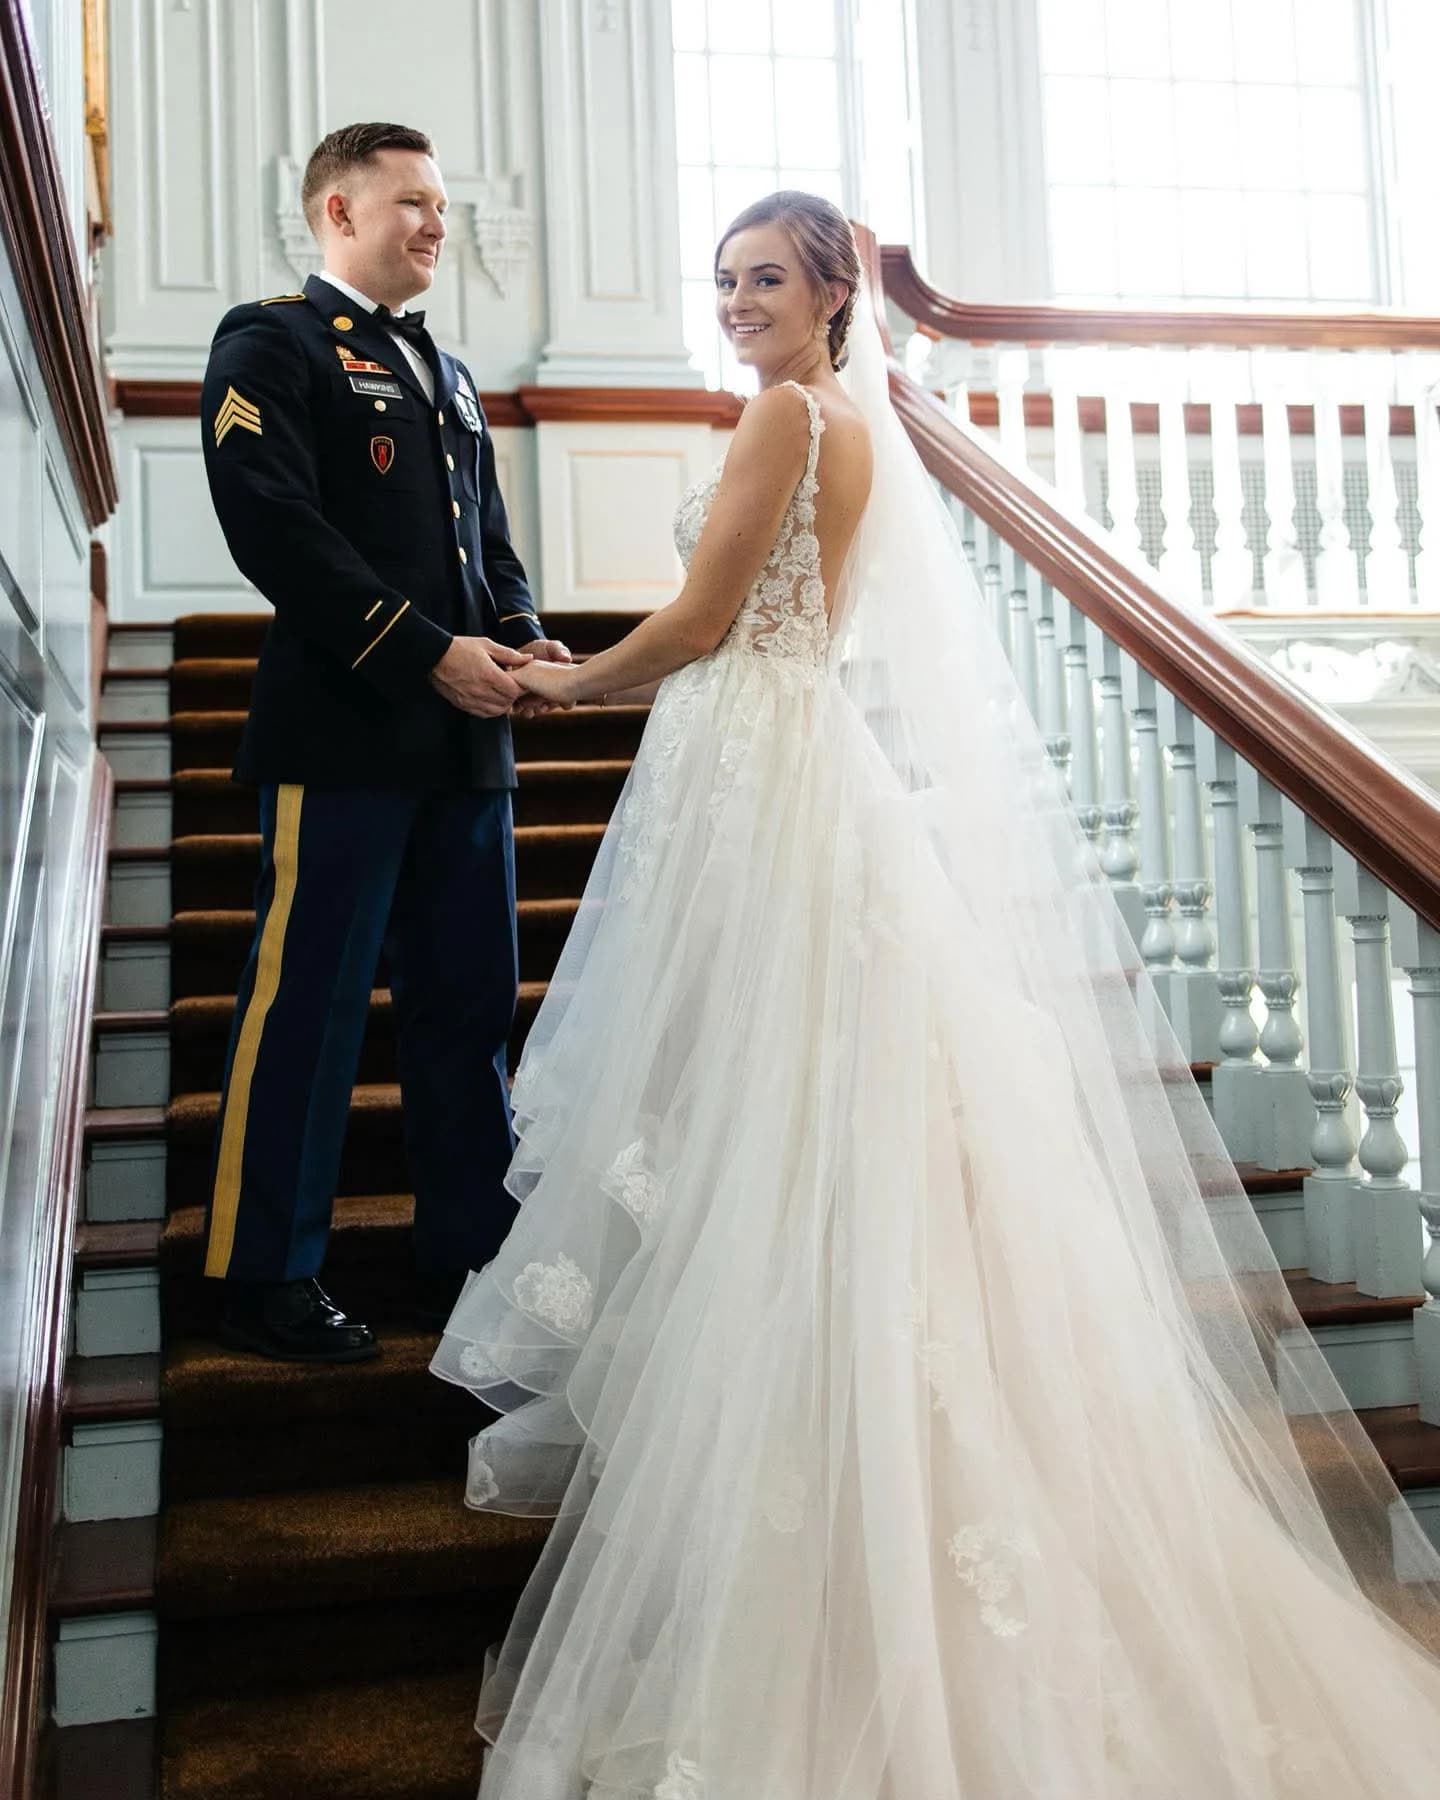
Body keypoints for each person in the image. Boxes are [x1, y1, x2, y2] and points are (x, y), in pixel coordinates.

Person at [432, 192, 1440, 1796]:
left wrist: (553, 682)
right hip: (793, 763)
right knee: (805, 1116)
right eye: (722, 281)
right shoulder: (856, 419)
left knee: (770, 1113)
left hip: (755, 770)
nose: (738, 303)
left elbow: (700, 625)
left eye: (766, 277)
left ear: (835, 291)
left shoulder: (784, 413)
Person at [198, 122, 572, 1362]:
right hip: (347, 730)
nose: (436, 222)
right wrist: (426, 652)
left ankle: (466, 1252)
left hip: (470, 741)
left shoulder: (453, 376)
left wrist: (520, 636)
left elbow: (490, 544)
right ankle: (266, 1272)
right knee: (307, 1004)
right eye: (411, 201)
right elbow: (276, 530)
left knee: (466, 1009)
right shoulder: (273, 340)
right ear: (337, 214)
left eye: (443, 204)